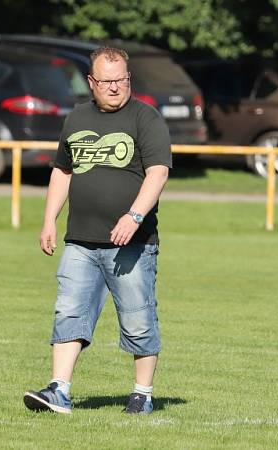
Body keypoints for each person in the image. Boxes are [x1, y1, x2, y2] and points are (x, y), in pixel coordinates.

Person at [23, 46, 172, 415]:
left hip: (132, 243)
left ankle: (142, 393)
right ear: (91, 82)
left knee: (138, 318)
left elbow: (158, 172)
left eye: (120, 79)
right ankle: (59, 389)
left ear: (128, 78)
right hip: (81, 240)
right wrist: (48, 220)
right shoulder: (75, 118)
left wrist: (135, 216)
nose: (114, 87)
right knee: (68, 312)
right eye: (106, 81)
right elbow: (63, 170)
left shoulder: (145, 118)